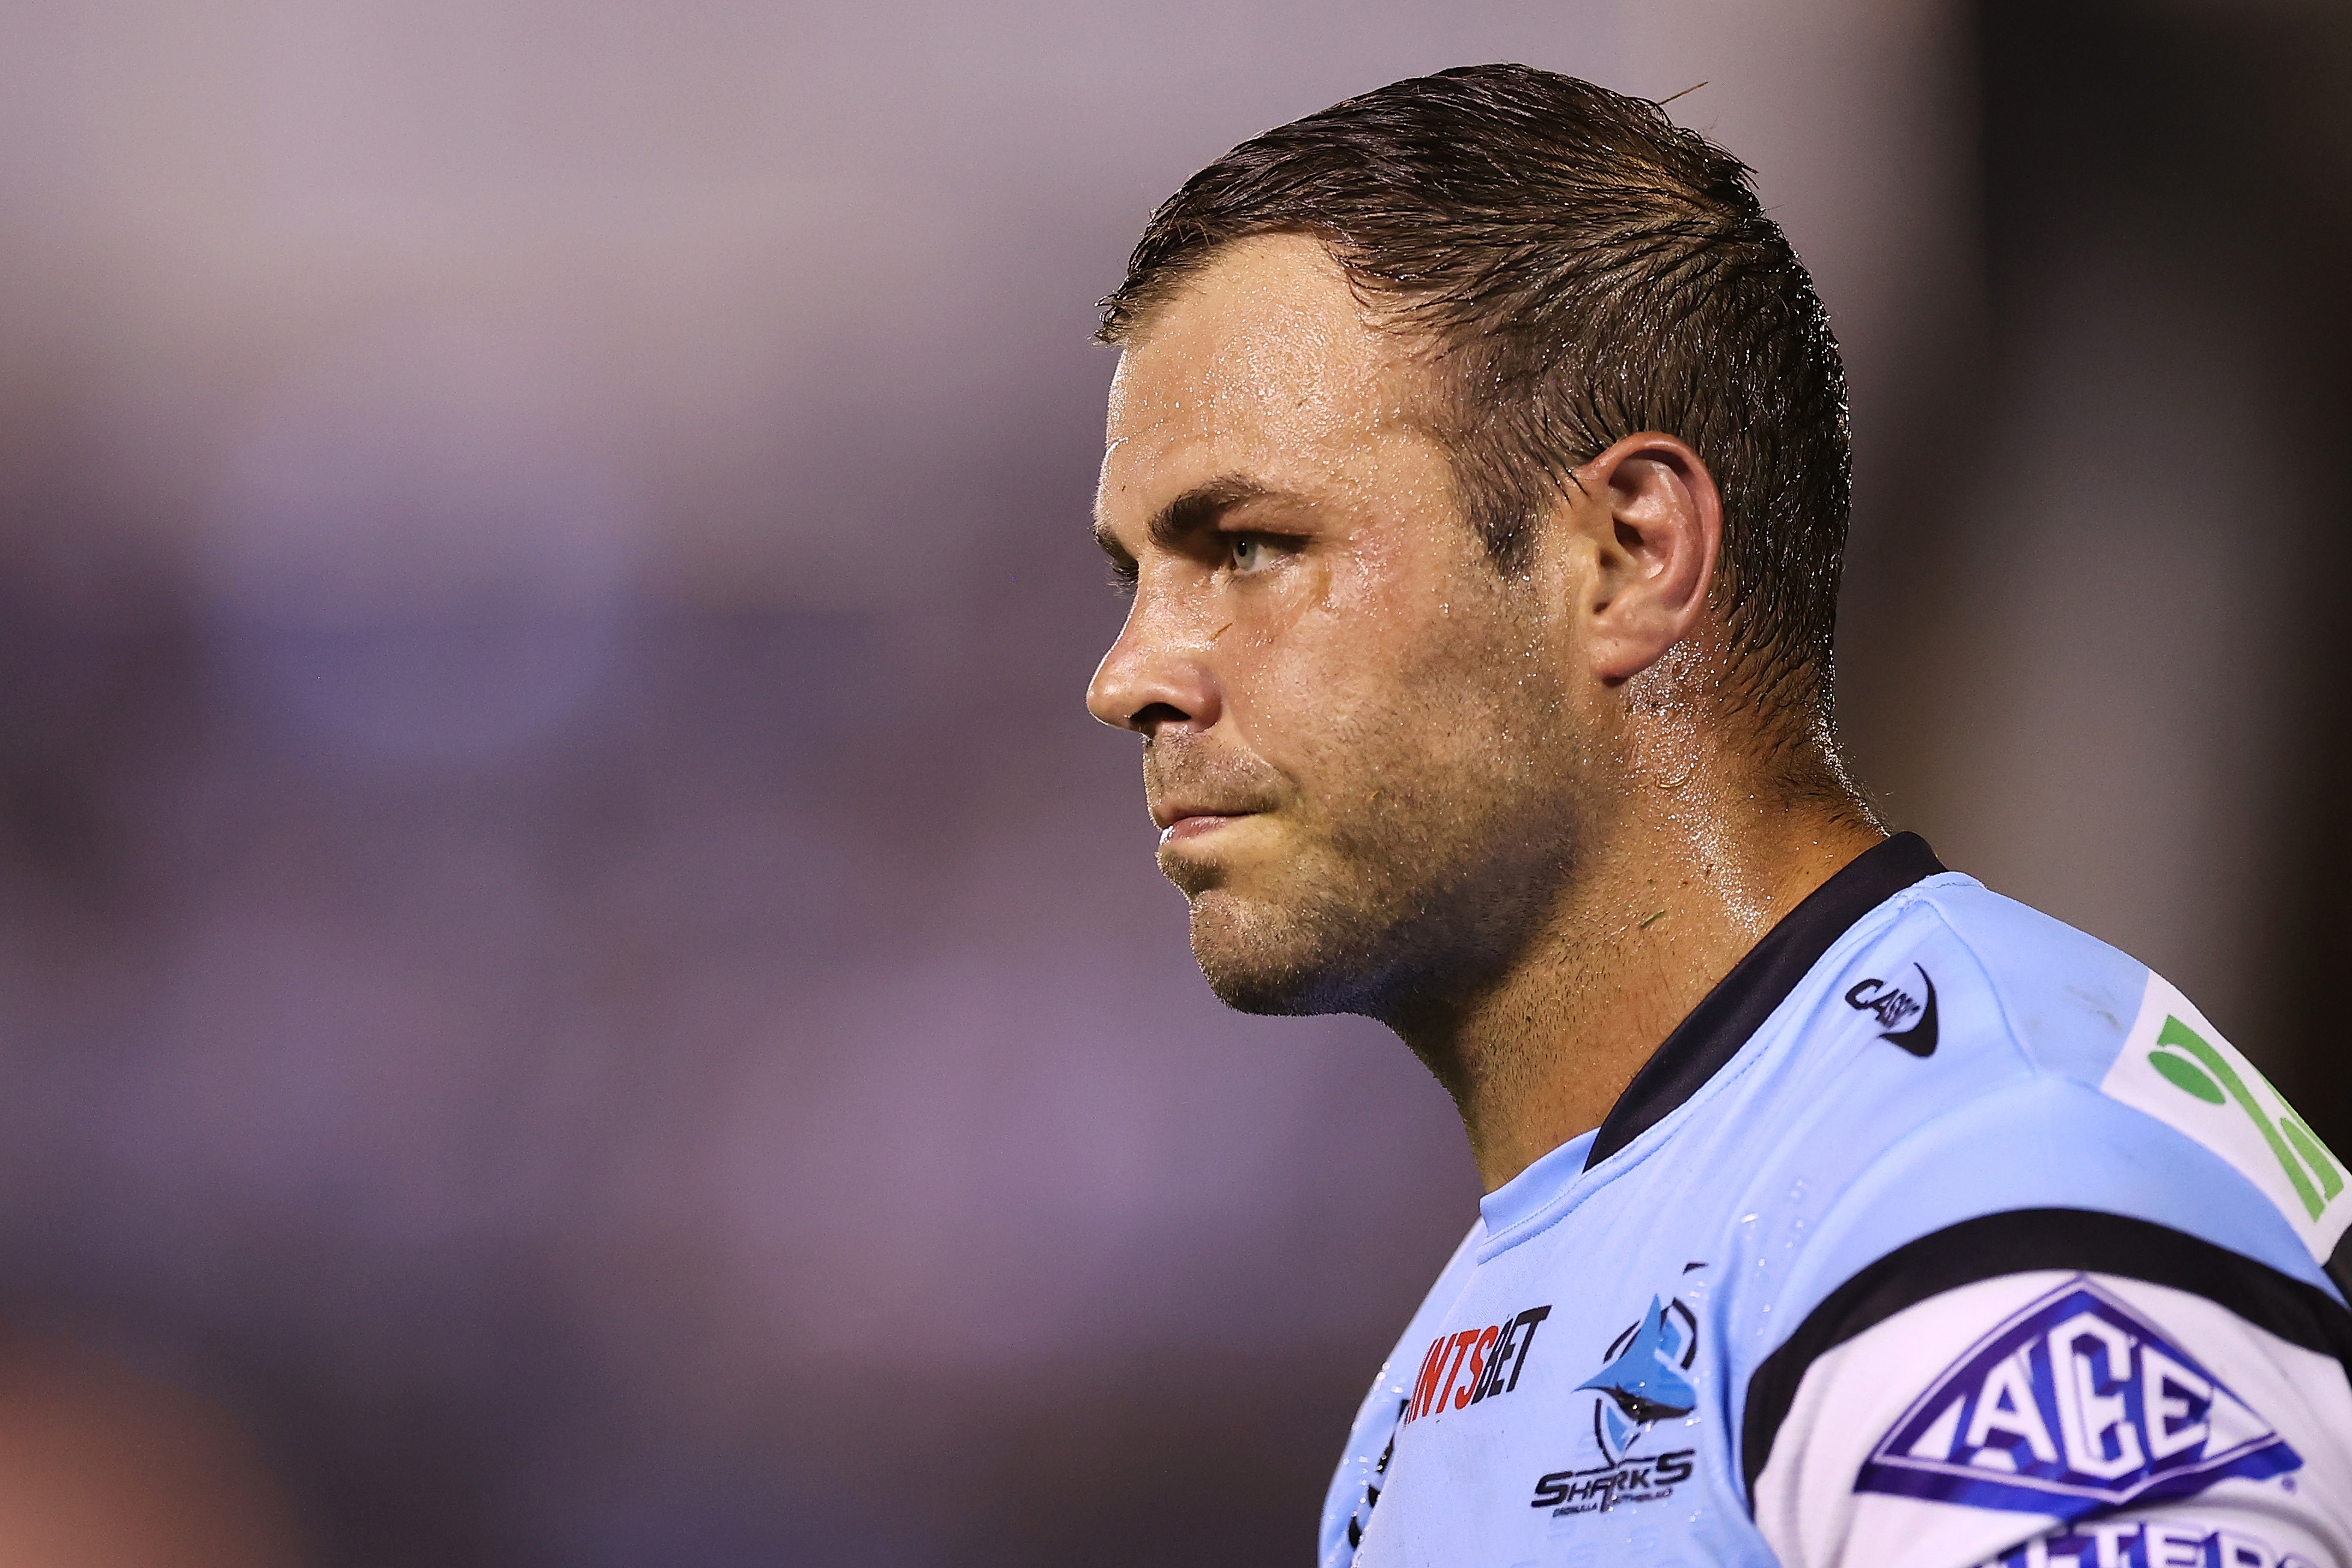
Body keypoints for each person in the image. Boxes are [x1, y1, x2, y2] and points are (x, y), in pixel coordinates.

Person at [1081, 65, 2352, 1568]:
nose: (1129, 678)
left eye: (1246, 544)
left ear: (1626, 556)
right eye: (1132, 579)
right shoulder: (1486, 1340)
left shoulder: (1983, 1202)